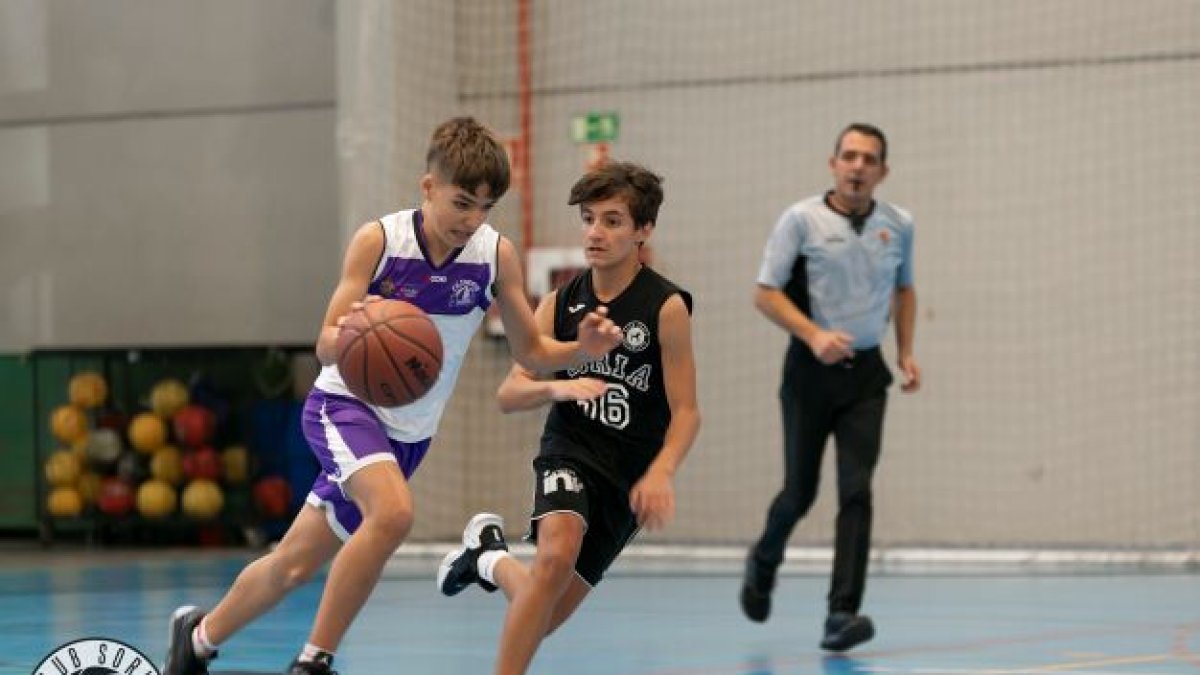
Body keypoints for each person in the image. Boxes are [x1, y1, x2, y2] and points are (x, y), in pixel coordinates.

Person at [163, 117, 622, 675]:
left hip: (409, 436)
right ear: (427, 188)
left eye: (485, 207)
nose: (471, 219)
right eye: (461, 203)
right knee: (395, 514)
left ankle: (199, 638)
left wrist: (582, 347)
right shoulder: (379, 242)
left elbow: (532, 354)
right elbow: (326, 342)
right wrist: (355, 332)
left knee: (292, 564)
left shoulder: (494, 256)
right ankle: (314, 661)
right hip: (343, 407)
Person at [436, 161, 700, 675]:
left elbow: (687, 411)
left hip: (627, 477)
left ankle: (487, 557)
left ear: (643, 230)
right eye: (588, 219)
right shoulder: (559, 303)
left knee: (544, 614)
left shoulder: (665, 307)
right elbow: (511, 392)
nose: (595, 232)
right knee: (555, 557)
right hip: (571, 450)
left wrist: (662, 472)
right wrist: (561, 383)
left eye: (612, 221)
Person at [739, 123, 921, 652]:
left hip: (866, 377)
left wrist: (905, 352)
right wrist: (814, 335)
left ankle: (841, 614)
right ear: (833, 163)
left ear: (883, 171)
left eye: (869, 159)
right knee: (800, 492)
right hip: (809, 374)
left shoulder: (899, 225)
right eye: (849, 156)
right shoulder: (802, 221)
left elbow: (905, 290)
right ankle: (763, 561)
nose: (858, 166)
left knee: (857, 491)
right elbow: (765, 294)